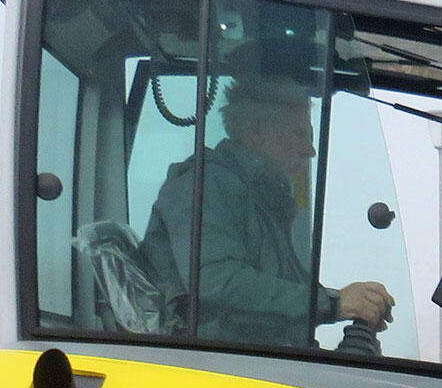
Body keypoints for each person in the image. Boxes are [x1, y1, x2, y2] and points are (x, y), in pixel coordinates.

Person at [140, 73, 392, 351]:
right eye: (300, 135)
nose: (310, 150)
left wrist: (358, 303)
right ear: (256, 131)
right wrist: (333, 303)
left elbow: (279, 300)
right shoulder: (203, 186)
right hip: (216, 367)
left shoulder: (260, 198)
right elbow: (215, 283)